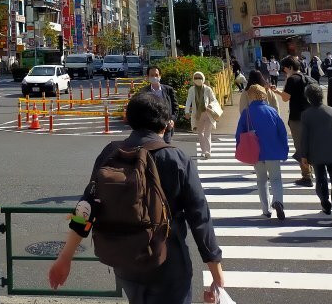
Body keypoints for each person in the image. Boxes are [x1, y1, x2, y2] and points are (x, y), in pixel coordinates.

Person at [47, 94, 225, 304]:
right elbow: (200, 218)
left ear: (128, 118)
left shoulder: (111, 153)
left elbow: (86, 208)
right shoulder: (176, 159)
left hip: (125, 263)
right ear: (166, 124)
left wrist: (65, 257)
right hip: (168, 265)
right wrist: (216, 271)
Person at [299, 82, 332, 225]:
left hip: (316, 153)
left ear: (308, 98)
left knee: (321, 180)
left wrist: (304, 155)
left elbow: (305, 138)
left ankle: (325, 202)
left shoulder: (306, 115)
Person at [235, 84, 289, 219]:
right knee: (276, 179)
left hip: (256, 152)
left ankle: (266, 210)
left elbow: (239, 134)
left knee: (261, 180)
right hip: (273, 151)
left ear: (250, 96)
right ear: (264, 95)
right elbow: (282, 132)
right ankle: (278, 201)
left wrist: (239, 148)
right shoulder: (272, 111)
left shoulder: (246, 113)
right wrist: (284, 149)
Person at [279, 55, 314, 186]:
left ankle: (307, 176)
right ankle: (315, 171)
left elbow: (285, 98)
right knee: (311, 145)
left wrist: (277, 91)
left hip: (297, 118)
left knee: (300, 147)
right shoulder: (308, 78)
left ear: (290, 67)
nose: (284, 71)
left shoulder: (292, 79)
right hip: (311, 116)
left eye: (285, 69)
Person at [184, 71, 218, 159]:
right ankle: (203, 151)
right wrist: (186, 111)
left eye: (200, 77)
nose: (198, 79)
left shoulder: (208, 89)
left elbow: (214, 100)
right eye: (196, 78)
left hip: (208, 114)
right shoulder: (191, 89)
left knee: (207, 133)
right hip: (197, 115)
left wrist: (210, 105)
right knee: (200, 133)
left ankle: (208, 151)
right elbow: (188, 101)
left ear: (203, 79)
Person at [140, 66, 178, 143]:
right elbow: (141, 108)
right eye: (152, 75)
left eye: (156, 75)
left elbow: (175, 107)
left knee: (166, 147)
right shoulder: (144, 91)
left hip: (166, 126)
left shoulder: (168, 90)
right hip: (150, 127)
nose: (154, 77)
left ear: (160, 76)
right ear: (148, 77)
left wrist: (172, 120)